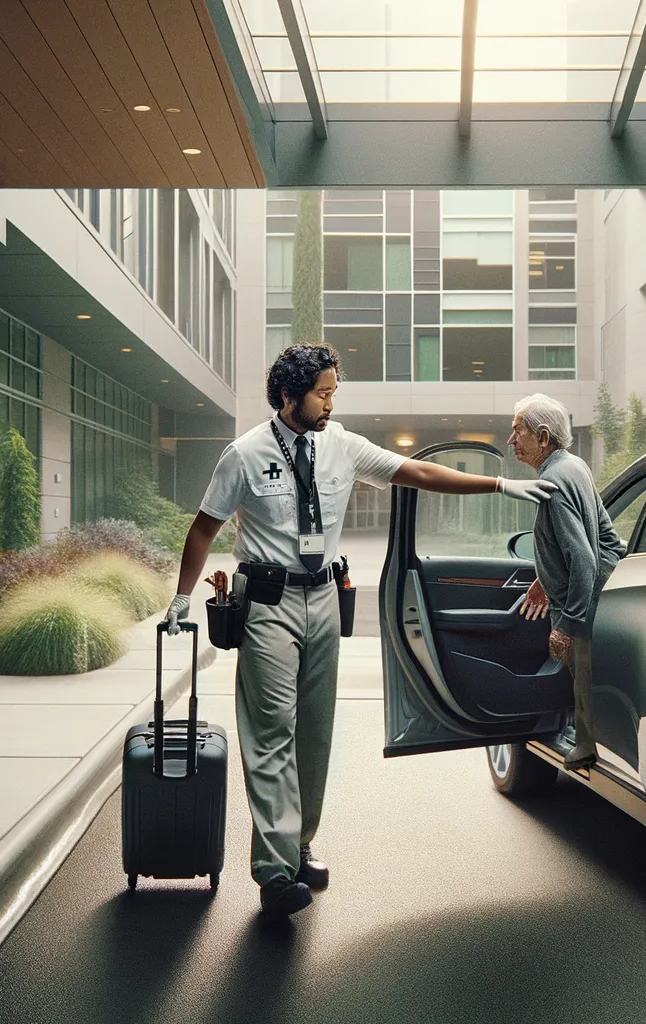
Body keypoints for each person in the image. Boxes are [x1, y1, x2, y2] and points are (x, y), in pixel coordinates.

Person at [165, 344, 556, 919]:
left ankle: (297, 847)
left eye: (333, 393)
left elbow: (417, 472)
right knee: (271, 732)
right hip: (267, 603)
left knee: (315, 734)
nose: (330, 403)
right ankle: (274, 874)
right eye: (322, 393)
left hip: (323, 596)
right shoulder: (244, 454)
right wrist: (180, 596)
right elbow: (203, 529)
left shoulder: (342, 445)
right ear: (288, 397)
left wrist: (499, 487)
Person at [509, 393, 626, 772]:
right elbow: (605, 537)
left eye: (518, 432)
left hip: (583, 601)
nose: (511, 441)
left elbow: (584, 558)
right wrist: (545, 580)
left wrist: (567, 625)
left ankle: (586, 747)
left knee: (584, 680)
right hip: (597, 594)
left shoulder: (553, 485)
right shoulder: (574, 466)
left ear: (543, 438)